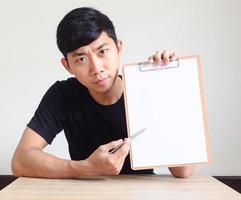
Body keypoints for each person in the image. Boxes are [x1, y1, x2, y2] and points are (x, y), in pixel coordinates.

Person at [11, 7, 194, 178]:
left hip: (141, 193)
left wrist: (168, 87)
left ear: (118, 48)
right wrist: (86, 168)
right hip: (85, 194)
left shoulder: (142, 90)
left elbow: (183, 171)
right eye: (81, 58)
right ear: (67, 66)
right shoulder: (63, 94)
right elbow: (20, 161)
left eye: (103, 51)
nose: (97, 68)